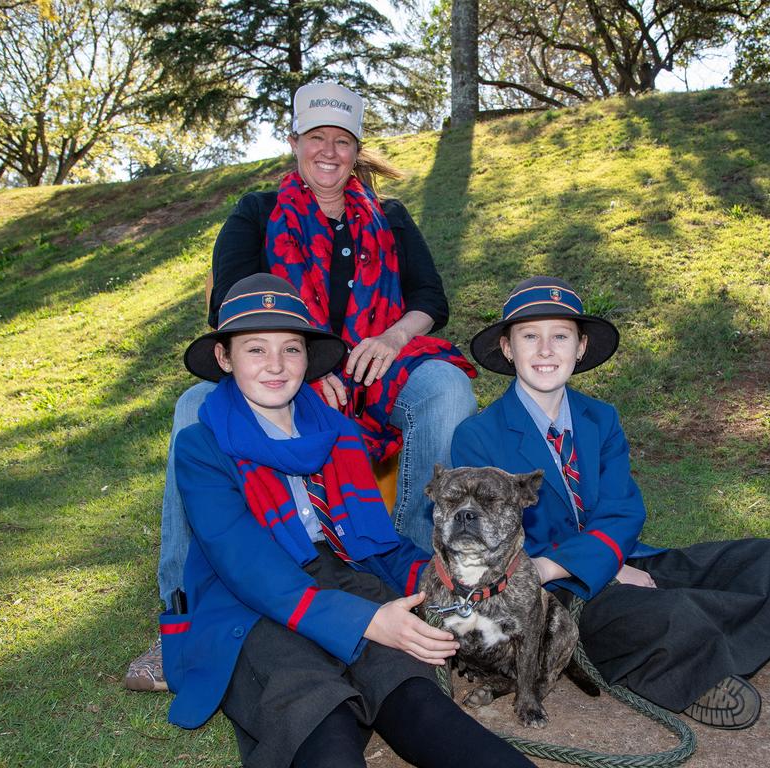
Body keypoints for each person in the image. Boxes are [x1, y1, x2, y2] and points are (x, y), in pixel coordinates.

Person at [125, 82, 476, 690]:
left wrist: (392, 340)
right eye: (317, 138)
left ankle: (422, 588)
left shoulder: (387, 216)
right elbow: (232, 306)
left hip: (371, 372)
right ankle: (179, 622)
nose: (330, 152)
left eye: (343, 141)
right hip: (281, 369)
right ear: (294, 143)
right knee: (193, 407)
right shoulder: (256, 211)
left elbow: (430, 300)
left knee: (446, 387)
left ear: (357, 150)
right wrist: (306, 371)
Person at [161, 273, 534, 768]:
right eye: (255, 349)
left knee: (413, 695)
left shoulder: (336, 430)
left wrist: (459, 586)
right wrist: (367, 621)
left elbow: (375, 542)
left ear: (307, 358)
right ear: (225, 359)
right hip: (247, 600)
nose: (275, 365)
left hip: (346, 576)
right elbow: (246, 567)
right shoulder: (200, 445)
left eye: (290, 349)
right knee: (316, 710)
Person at [450, 276, 770, 730]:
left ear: (581, 347)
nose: (546, 350)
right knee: (670, 614)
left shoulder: (600, 418)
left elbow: (623, 509)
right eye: (530, 336)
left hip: (616, 555)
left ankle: (732, 629)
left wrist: (609, 563)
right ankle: (714, 656)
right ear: (508, 349)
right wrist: (572, 569)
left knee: (767, 558)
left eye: (560, 336)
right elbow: (490, 542)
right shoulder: (477, 436)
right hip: (546, 589)